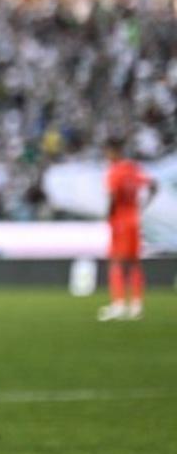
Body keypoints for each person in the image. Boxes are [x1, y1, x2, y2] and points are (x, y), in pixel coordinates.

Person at [98, 137, 157, 321]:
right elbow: (154, 185)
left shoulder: (114, 172)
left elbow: (113, 196)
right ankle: (136, 306)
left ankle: (119, 305)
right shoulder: (133, 168)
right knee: (134, 263)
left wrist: (109, 215)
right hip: (134, 220)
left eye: (108, 152)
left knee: (116, 262)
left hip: (120, 221)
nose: (107, 156)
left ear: (114, 152)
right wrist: (143, 206)